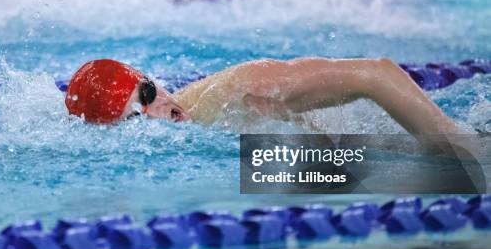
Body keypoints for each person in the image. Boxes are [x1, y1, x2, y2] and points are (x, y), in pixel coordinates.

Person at [65, 58, 466, 152]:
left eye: (148, 94)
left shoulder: (238, 91)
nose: (156, 111)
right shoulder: (197, 133)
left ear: (151, 80)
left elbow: (377, 73)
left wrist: (449, 142)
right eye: (136, 119)